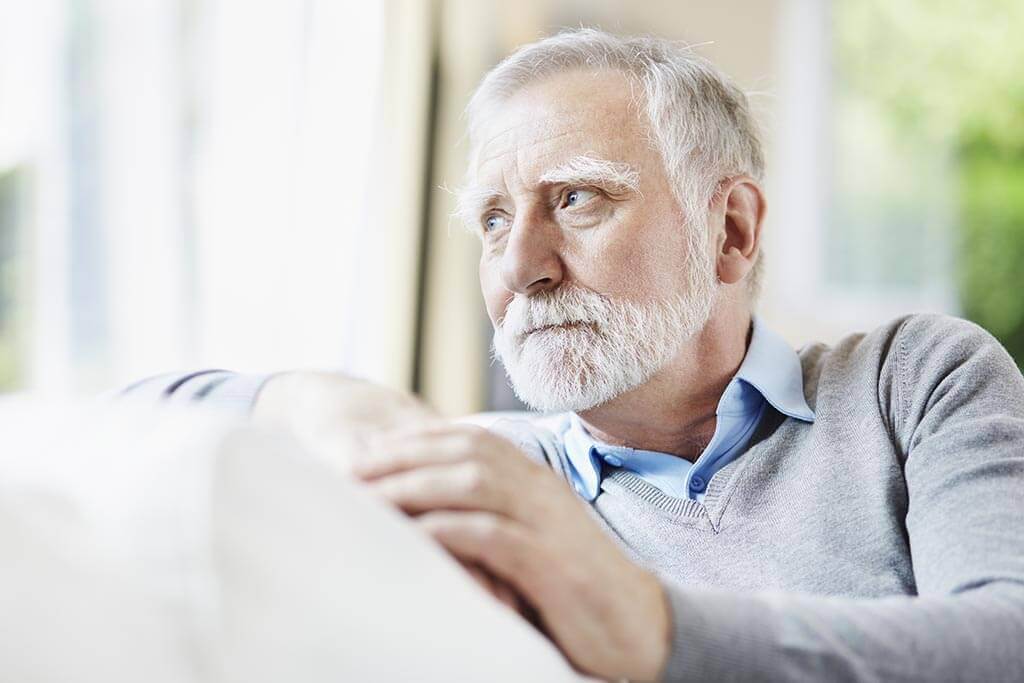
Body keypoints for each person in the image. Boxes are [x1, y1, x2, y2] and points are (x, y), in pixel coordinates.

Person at [122, 29, 1024, 682]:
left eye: (579, 198)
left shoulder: (910, 383)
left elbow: (1006, 641)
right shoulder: (494, 477)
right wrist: (317, 401)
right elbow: (122, 434)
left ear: (730, 229)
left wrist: (651, 624)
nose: (520, 268)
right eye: (492, 219)